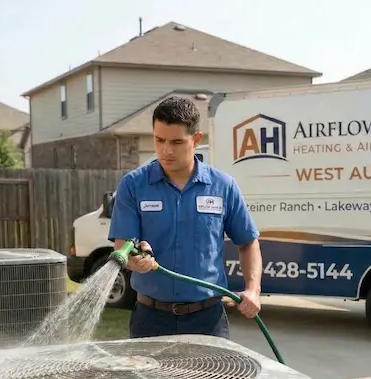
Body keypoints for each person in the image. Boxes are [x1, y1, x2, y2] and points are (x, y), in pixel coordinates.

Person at [108, 95, 263, 339]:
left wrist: (253, 289)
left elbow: (248, 243)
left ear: (196, 139)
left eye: (177, 142)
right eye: (159, 140)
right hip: (150, 320)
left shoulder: (223, 186)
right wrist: (135, 261)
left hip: (208, 321)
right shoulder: (133, 186)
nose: (166, 150)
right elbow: (123, 248)